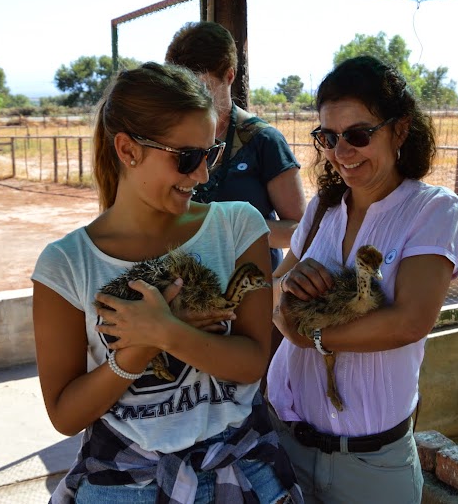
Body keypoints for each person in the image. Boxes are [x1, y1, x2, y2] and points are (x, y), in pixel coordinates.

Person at [31, 63, 302, 503]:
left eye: (210, 154)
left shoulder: (237, 226)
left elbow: (253, 361)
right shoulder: (67, 264)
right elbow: (65, 414)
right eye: (187, 158)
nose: (202, 176)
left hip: (243, 469)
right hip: (126, 482)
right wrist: (141, 347)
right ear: (127, 149)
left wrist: (167, 331)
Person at [267, 56, 458, 503]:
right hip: (287, 442)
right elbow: (272, 296)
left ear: (400, 130)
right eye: (328, 137)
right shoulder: (321, 210)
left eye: (358, 135)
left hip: (372, 465)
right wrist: (291, 286)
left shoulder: (433, 210)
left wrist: (312, 335)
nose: (341, 152)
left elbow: (409, 322)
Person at [165, 21, 305, 271]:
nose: (193, 99)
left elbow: (300, 232)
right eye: (184, 89)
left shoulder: (263, 141)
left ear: (229, 76)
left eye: (203, 87)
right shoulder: (167, 141)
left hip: (251, 294)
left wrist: (227, 228)